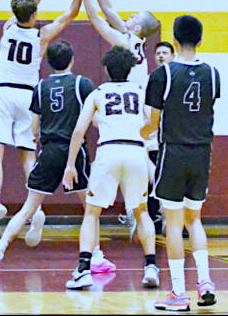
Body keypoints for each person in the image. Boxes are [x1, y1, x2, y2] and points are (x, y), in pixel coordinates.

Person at [0, 40, 113, 274]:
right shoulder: (82, 84)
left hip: (49, 151)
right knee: (90, 209)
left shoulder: (40, 87)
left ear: (48, 62)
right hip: (74, 152)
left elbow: (33, 130)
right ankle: (97, 256)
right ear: (72, 59)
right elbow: (91, 120)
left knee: (27, 209)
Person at [0, 0, 82, 237]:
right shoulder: (42, 35)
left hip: (4, 92)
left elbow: (29, 4)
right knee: (27, 154)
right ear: (35, 15)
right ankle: (36, 209)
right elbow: (70, 14)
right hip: (28, 94)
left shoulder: (8, 27)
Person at [62, 46, 158, 290]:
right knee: (141, 211)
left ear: (106, 69)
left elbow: (78, 130)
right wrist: (138, 137)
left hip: (109, 151)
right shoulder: (140, 91)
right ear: (130, 69)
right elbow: (153, 123)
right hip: (135, 150)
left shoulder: (98, 93)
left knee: (92, 213)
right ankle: (150, 266)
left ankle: (83, 269)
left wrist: (71, 164)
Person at [82, 0, 162, 241]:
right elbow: (110, 10)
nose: (126, 17)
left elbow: (96, 18)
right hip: (138, 105)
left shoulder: (125, 42)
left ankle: (161, 194)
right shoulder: (133, 40)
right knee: (140, 157)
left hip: (133, 109)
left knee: (131, 156)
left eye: (132, 17)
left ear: (138, 26)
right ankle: (158, 196)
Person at [145, 15, 219, 311]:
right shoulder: (214, 74)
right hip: (202, 153)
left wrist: (137, 135)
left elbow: (153, 123)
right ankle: (205, 283)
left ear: (174, 42)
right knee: (195, 220)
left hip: (173, 152)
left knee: (173, 225)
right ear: (200, 41)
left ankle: (178, 292)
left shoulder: (162, 74)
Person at [145, 41, 175, 235]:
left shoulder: (177, 77)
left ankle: (174, 220)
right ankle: (154, 218)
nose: (161, 56)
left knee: (173, 179)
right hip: (155, 136)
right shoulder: (151, 78)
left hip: (174, 137)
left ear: (173, 55)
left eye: (165, 52)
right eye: (158, 53)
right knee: (152, 179)